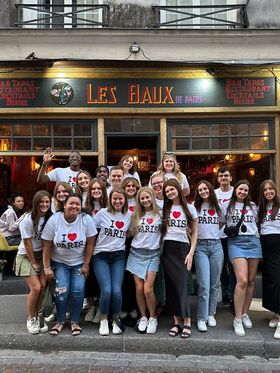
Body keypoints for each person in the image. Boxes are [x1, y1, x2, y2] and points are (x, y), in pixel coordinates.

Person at [42, 193, 97, 336]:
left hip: (79, 263)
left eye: (77, 204)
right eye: (71, 203)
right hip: (60, 263)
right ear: (64, 205)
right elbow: (47, 246)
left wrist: (86, 264)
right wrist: (47, 267)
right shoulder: (55, 220)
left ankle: (74, 321)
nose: (74, 206)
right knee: (62, 291)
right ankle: (60, 322)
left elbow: (90, 245)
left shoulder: (86, 220)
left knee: (78, 291)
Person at [220, 180, 262, 337]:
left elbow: (257, 224)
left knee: (251, 281)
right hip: (236, 243)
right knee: (242, 280)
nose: (242, 192)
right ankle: (237, 318)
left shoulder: (252, 206)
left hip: (253, 241)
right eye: (240, 189)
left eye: (246, 190)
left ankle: (245, 313)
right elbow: (221, 223)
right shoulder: (226, 205)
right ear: (235, 189)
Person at [92, 187, 133, 336]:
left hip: (118, 256)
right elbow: (90, 229)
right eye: (114, 198)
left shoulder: (129, 215)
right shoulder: (102, 213)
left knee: (116, 290)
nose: (117, 201)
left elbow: (131, 231)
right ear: (110, 199)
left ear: (125, 200)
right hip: (101, 255)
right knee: (107, 290)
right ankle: (103, 319)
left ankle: (115, 318)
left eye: (120, 199)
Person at [161, 179, 198, 338]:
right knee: (171, 287)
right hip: (167, 249)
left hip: (183, 249)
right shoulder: (165, 209)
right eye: (167, 191)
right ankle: (176, 322)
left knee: (182, 286)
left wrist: (190, 254)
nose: (170, 193)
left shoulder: (189, 208)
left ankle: (187, 321)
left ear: (178, 189)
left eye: (172, 190)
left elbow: (195, 233)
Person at [15, 190, 52, 334]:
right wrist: (34, 263)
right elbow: (27, 243)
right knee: (36, 287)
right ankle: (31, 318)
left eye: (47, 201)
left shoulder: (50, 217)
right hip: (26, 255)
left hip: (42, 254)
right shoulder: (27, 220)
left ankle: (38, 316)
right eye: (41, 202)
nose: (44, 204)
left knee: (42, 287)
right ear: (36, 203)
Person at [126, 187, 161, 334]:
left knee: (148, 289)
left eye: (148, 197)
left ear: (152, 197)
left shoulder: (160, 214)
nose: (146, 200)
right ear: (139, 201)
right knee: (139, 289)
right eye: (142, 198)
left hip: (153, 254)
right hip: (136, 253)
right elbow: (127, 233)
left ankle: (153, 317)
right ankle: (143, 317)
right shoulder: (135, 215)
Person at [193, 180, 223, 332]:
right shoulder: (194, 207)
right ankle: (201, 317)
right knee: (203, 284)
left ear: (210, 189)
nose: (203, 191)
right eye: (200, 190)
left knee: (214, 283)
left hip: (216, 246)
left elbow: (222, 222)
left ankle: (211, 313)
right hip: (200, 247)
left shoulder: (218, 206)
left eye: (205, 188)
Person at [84, 178, 108, 323]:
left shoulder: (108, 206)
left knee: (101, 279)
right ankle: (91, 307)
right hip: (87, 246)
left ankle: (100, 307)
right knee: (89, 278)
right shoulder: (85, 208)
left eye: (99, 189)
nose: (96, 191)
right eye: (94, 189)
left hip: (103, 246)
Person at [258, 180, 280, 339]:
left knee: (278, 280)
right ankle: (276, 313)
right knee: (271, 281)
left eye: (270, 189)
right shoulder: (261, 209)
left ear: (275, 190)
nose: (268, 192)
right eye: (265, 190)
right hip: (266, 249)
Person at [214, 166, 235, 308]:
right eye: (221, 176)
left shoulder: (236, 192)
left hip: (234, 235)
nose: (223, 178)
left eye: (226, 176)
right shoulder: (214, 194)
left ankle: (231, 293)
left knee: (233, 265)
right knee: (221, 266)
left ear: (231, 178)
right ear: (217, 179)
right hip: (218, 235)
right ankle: (227, 292)